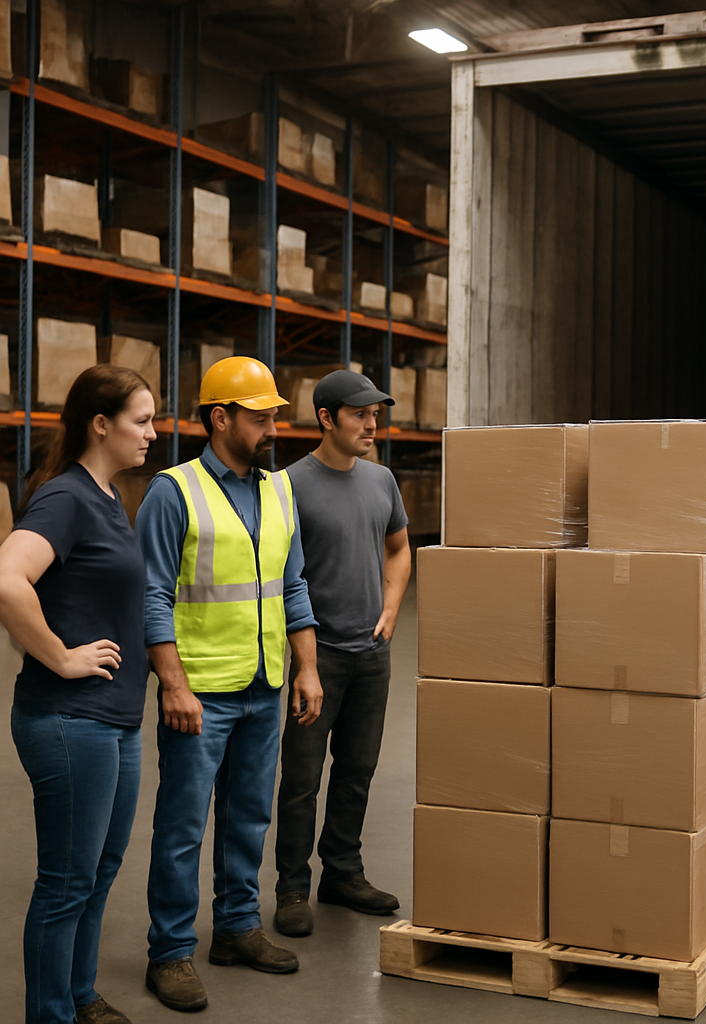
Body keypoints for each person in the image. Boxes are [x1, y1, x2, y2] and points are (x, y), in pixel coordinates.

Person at [135, 356, 322, 1013]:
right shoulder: (173, 491)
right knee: (183, 827)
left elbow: (293, 585)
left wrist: (306, 667)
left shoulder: (279, 492)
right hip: (201, 692)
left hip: (263, 684)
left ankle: (238, 929)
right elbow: (151, 596)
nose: (274, 425)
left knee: (248, 817)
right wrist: (173, 685)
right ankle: (171, 953)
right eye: (261, 415)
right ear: (221, 418)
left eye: (275, 414)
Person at [0, 365, 157, 1024]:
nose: (152, 432)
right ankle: (50, 1016)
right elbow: (9, 580)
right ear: (101, 424)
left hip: (114, 720)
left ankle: (79, 998)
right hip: (71, 721)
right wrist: (60, 656)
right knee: (65, 883)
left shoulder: (107, 497)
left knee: (97, 872)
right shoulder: (65, 497)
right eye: (141, 420)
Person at [273, 369, 411, 936]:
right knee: (302, 777)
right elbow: (278, 574)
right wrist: (302, 657)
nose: (371, 425)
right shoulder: (287, 485)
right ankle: (291, 889)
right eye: (359, 415)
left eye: (375, 414)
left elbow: (400, 549)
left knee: (358, 769)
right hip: (319, 655)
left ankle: (343, 873)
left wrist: (392, 608)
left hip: (371, 654)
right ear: (326, 419)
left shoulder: (381, 481)